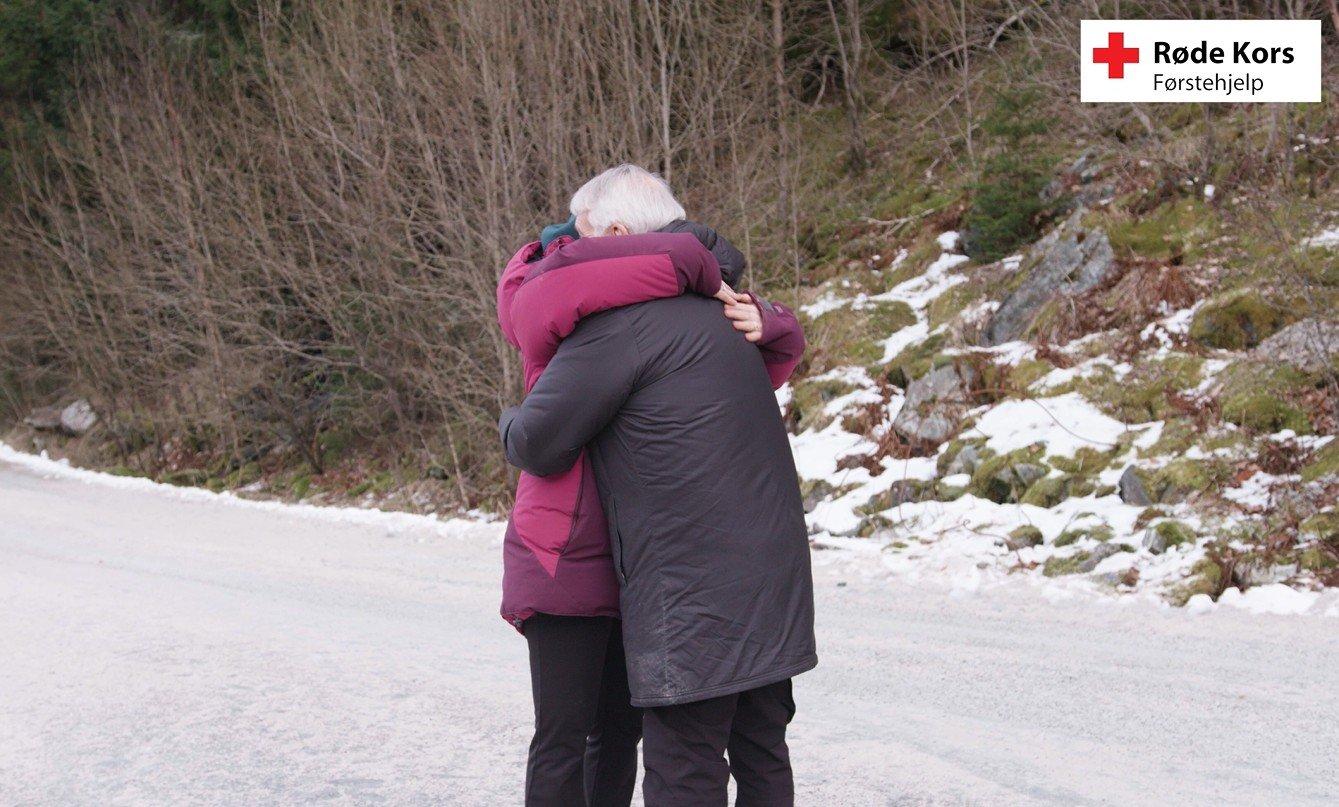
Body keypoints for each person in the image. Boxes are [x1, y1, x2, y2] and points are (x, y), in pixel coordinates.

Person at [500, 165, 816, 806]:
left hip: (692, 586)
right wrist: (779, 321)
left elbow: (538, 440)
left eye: (582, 233)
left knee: (684, 765)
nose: (572, 247)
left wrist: (508, 417)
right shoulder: (727, 310)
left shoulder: (621, 325)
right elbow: (772, 356)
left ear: (618, 235)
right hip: (773, 574)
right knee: (762, 751)